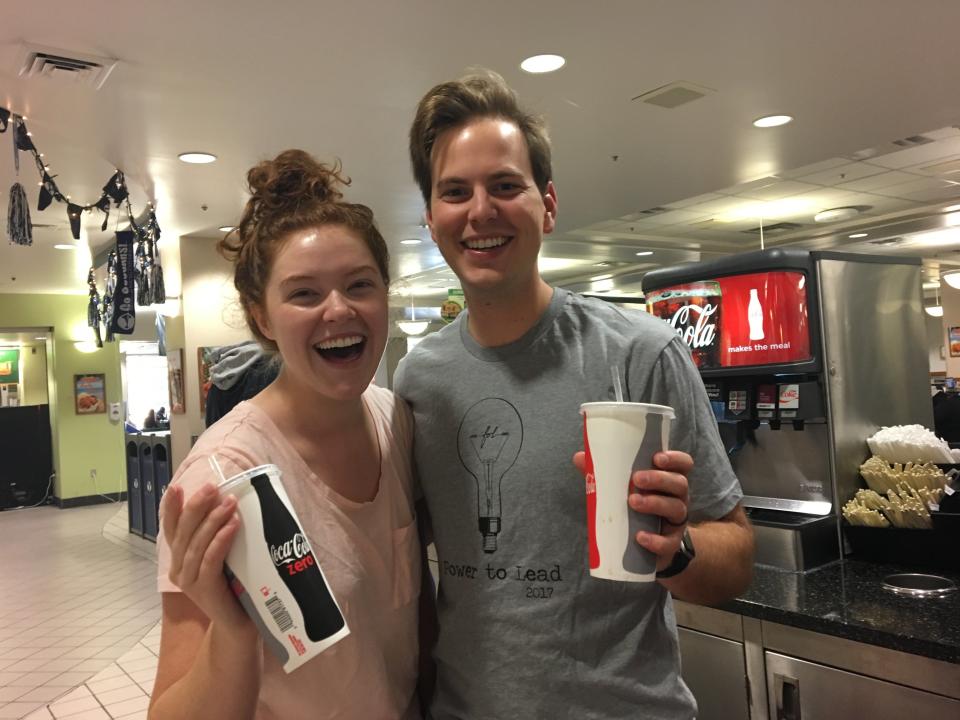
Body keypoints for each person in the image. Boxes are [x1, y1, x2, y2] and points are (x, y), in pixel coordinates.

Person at [394, 70, 754, 719]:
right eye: (456, 192)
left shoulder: (642, 353)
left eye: (506, 185)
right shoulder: (419, 381)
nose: (481, 211)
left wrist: (680, 550)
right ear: (431, 218)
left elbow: (735, 557)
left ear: (548, 205)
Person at [149, 150, 421, 720]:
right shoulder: (222, 478)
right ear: (263, 319)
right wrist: (232, 630)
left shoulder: (395, 422)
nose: (339, 309)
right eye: (304, 293)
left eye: (360, 284)